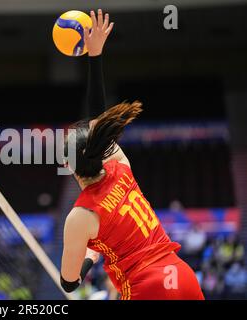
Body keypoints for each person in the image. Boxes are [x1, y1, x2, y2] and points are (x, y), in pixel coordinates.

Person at [59, 9, 204, 300]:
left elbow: (69, 283)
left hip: (146, 287)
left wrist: (91, 257)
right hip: (182, 275)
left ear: (68, 166)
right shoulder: (120, 167)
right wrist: (95, 56)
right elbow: (100, 123)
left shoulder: (80, 216)